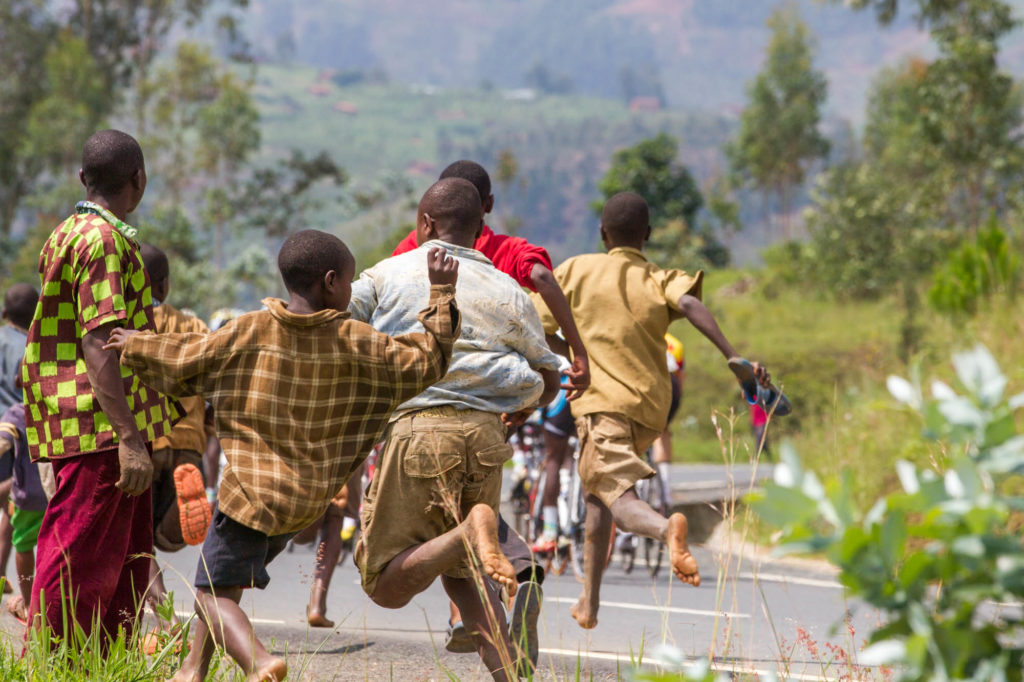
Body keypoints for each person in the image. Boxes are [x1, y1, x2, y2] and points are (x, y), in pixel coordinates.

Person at [105, 229, 460, 682]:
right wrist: (442, 290)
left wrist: (134, 344)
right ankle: (192, 670)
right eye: (350, 282)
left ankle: (259, 662)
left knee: (208, 596)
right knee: (223, 583)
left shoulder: (248, 331)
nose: (351, 291)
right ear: (331, 282)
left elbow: (187, 357)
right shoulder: (360, 341)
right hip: (306, 504)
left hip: (250, 497)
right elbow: (428, 359)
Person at [350, 178, 562, 680]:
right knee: (463, 576)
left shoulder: (389, 272)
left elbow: (334, 315)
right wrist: (516, 412)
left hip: (420, 430)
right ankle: (509, 673)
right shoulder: (509, 290)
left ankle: (470, 530)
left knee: (382, 583)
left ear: (424, 224)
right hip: (488, 437)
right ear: (478, 228)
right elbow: (550, 378)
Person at [532, 191, 771, 629]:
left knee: (620, 499)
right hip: (651, 408)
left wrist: (570, 352)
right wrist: (731, 355)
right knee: (597, 495)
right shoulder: (659, 276)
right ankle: (590, 602)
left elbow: (537, 324)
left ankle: (665, 530)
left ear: (602, 233)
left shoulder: (575, 271)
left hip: (603, 403)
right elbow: (692, 305)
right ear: (647, 234)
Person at [22, 130, 180, 646]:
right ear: (139, 180)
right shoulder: (104, 242)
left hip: (93, 423)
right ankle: (52, 664)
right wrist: (130, 439)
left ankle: (106, 663)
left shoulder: (67, 232)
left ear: (82, 179)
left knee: (125, 561)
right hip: (97, 427)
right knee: (76, 553)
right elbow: (99, 342)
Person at [138, 244, 213, 629]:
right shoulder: (195, 326)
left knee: (136, 540)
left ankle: (162, 618)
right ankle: (175, 520)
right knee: (168, 537)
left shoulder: (128, 324)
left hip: (144, 443)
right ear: (164, 286)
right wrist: (208, 429)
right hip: (189, 439)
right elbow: (214, 377)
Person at [0, 284, 38, 595]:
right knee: (14, 506)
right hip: (30, 431)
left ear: (3, 313)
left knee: (13, 507)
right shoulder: (37, 344)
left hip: (7, 433)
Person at [0, 396, 50, 624]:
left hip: (28, 497)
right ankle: (43, 602)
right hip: (57, 493)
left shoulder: (18, 412)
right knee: (55, 548)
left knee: (22, 545)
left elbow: (3, 440)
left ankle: (31, 603)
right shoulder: (57, 406)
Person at [650, 332, 686, 508]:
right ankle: (665, 491)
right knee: (663, 431)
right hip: (671, 386)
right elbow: (680, 378)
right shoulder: (675, 343)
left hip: (643, 383)